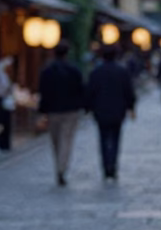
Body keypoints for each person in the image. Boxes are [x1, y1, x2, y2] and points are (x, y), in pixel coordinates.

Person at [85, 46, 136, 184]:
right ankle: (113, 166)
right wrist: (131, 107)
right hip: (118, 111)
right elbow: (129, 92)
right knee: (115, 139)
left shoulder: (96, 72)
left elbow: (90, 92)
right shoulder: (122, 72)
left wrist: (88, 108)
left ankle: (106, 167)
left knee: (103, 139)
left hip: (100, 111)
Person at [37, 42, 84, 187]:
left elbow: (43, 92)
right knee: (66, 140)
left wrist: (43, 111)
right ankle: (61, 168)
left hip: (53, 111)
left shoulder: (47, 71)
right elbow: (81, 90)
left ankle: (59, 167)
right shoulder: (74, 70)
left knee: (56, 141)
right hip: (70, 111)